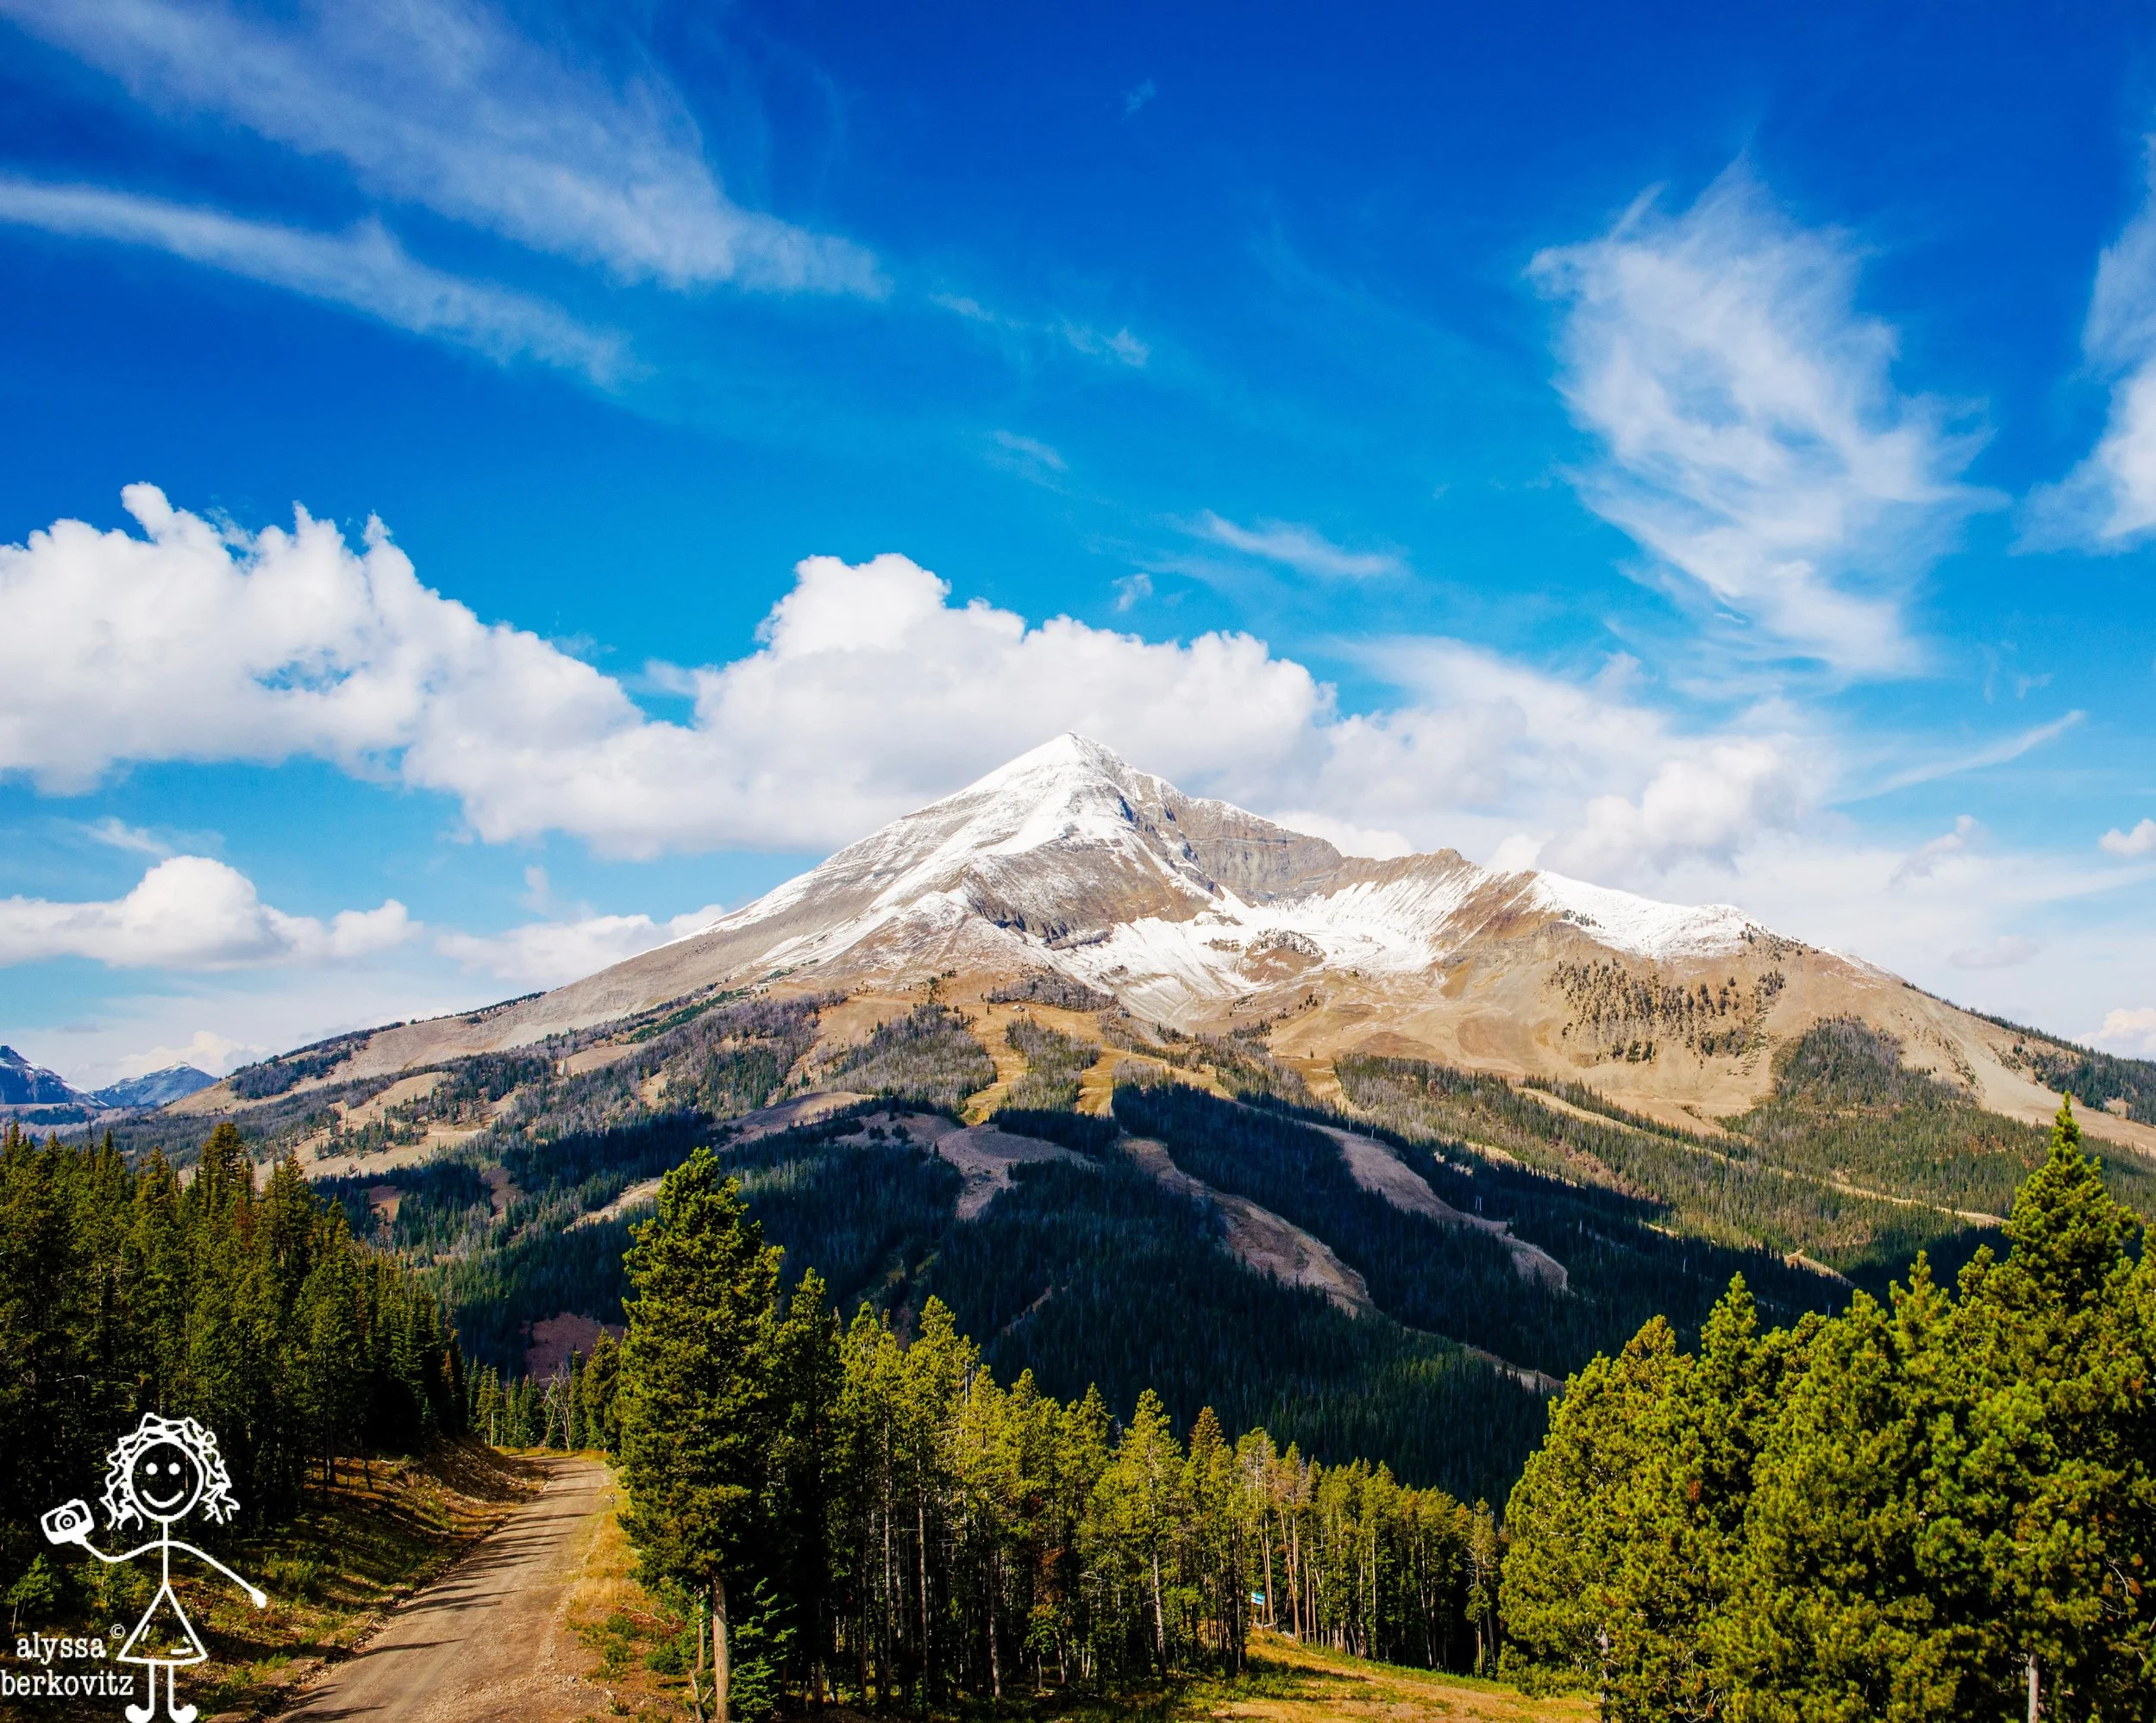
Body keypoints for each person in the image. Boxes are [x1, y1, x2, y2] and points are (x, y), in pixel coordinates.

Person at [42, 1413, 267, 1723]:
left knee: (170, 1653)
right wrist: (82, 1540)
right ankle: (150, 1708)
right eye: (148, 1469)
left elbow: (208, 1561)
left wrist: (250, 1589)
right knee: (153, 1653)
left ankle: (173, 1709)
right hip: (161, 1601)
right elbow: (114, 1559)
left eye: (177, 1470)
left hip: (166, 1600)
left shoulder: (175, 1538)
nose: (165, 1482)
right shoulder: (152, 1537)